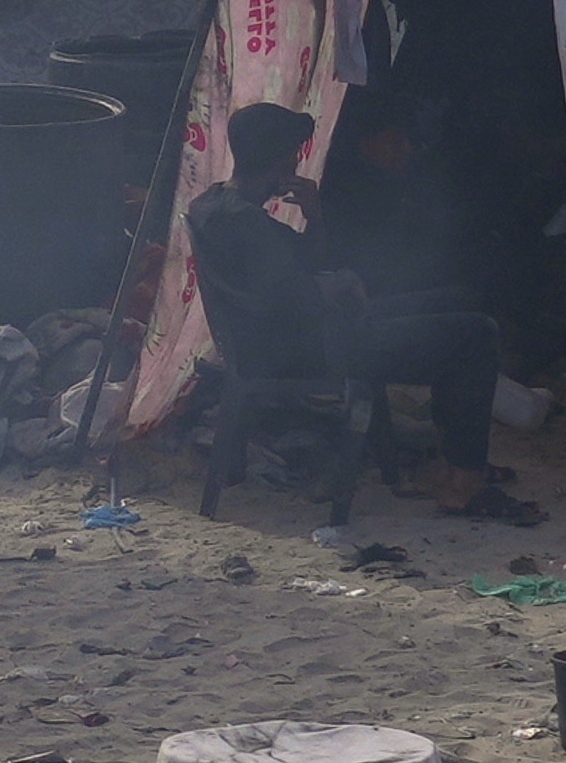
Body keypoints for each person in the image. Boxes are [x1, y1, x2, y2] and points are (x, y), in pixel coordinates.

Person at [181, 103, 535, 522]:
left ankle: (450, 462)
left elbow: (308, 266)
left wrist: (314, 216)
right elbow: (294, 297)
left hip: (304, 336)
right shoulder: (244, 223)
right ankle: (463, 479)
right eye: (293, 152)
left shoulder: (216, 204)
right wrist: (337, 284)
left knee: (456, 301)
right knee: (474, 335)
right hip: (311, 349)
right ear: (282, 158)